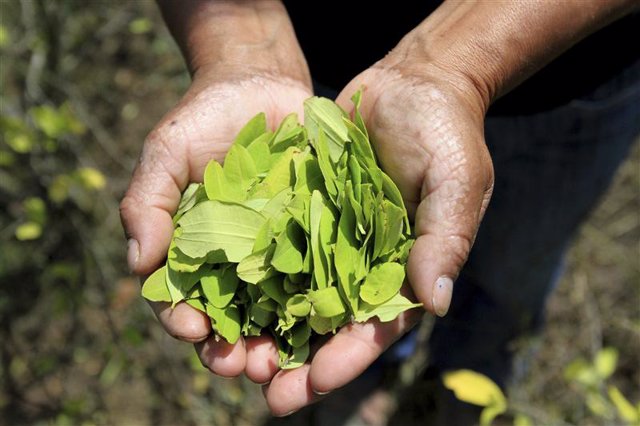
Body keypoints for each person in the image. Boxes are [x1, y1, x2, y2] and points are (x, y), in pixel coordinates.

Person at [119, 0, 640, 422]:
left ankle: (469, 387)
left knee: (509, 285)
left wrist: (454, 66)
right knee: (387, 309)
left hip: (571, 81)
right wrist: (241, 41)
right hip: (327, 71)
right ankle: (365, 383)